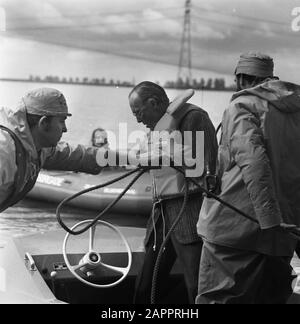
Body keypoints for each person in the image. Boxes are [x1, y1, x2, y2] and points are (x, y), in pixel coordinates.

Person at [196, 52, 300, 304]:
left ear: (241, 78)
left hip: (235, 231)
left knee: (218, 299)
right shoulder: (296, 110)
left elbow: (253, 162)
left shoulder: (240, 106)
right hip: (283, 233)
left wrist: (268, 220)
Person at [128, 81, 218, 304]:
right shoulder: (159, 127)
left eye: (138, 112)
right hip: (161, 215)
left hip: (189, 214)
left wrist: (156, 159)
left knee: (196, 285)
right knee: (145, 285)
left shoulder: (194, 117)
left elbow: (202, 164)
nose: (138, 119)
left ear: (154, 102)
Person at [0, 87, 107, 212]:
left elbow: (76, 155)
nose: (65, 128)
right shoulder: (4, 153)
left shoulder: (37, 147)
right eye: (62, 121)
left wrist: (124, 158)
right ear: (44, 123)